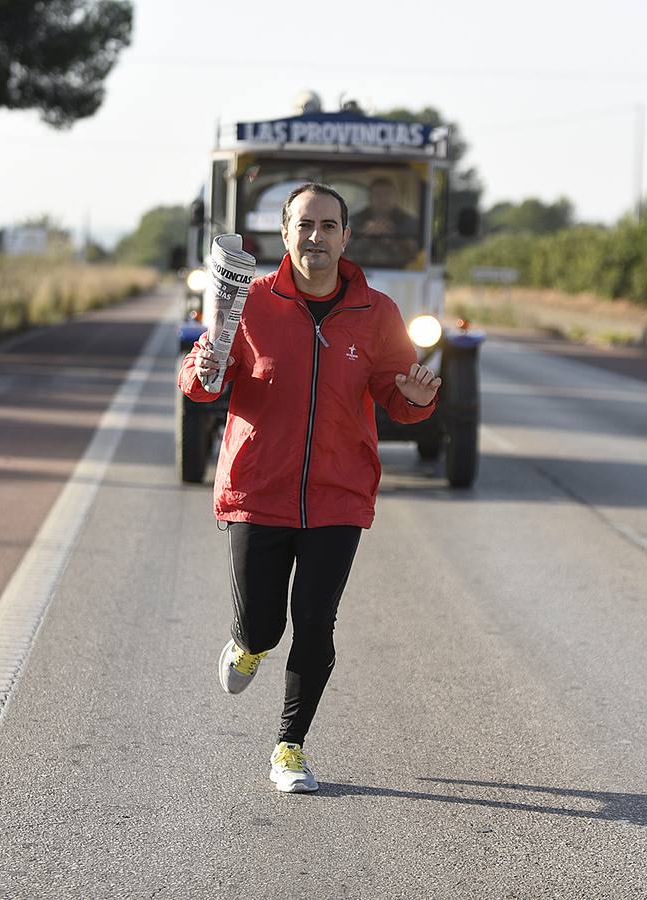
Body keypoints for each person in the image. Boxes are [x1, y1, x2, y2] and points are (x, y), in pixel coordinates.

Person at [178, 182, 440, 793]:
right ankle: (247, 644)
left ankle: (289, 748)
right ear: (285, 233)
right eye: (305, 225)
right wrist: (207, 366)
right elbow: (201, 383)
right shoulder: (251, 304)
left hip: (337, 494)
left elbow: (396, 398)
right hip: (257, 490)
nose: (316, 236)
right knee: (264, 625)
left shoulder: (377, 313)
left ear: (346, 237)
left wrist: (415, 398)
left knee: (316, 623)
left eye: (328, 226)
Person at [348, 176, 420, 267]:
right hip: (361, 270)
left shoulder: (409, 222)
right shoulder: (355, 220)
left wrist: (393, 236)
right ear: (370, 198)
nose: (383, 199)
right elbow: (344, 250)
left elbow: (415, 254)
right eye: (378, 195)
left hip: (400, 272)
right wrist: (364, 235)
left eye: (388, 194)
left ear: (395, 197)